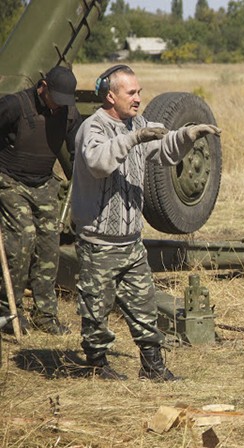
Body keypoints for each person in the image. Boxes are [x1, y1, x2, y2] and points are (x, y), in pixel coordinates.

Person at [71, 65, 220, 381]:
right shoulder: (93, 128)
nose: (139, 98)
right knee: (95, 311)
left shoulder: (137, 124)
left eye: (139, 92)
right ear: (111, 95)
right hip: (99, 243)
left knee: (144, 307)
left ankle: (152, 367)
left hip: (131, 243)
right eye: (131, 93)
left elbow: (165, 149)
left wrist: (187, 135)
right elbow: (99, 162)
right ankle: (97, 367)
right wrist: (133, 138)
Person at [0, 66, 82, 336]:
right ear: (42, 87)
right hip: (10, 181)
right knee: (23, 239)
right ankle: (9, 312)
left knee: (49, 242)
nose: (58, 105)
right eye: (55, 98)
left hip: (44, 182)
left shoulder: (68, 112)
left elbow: (78, 146)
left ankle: (45, 315)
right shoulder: (14, 106)